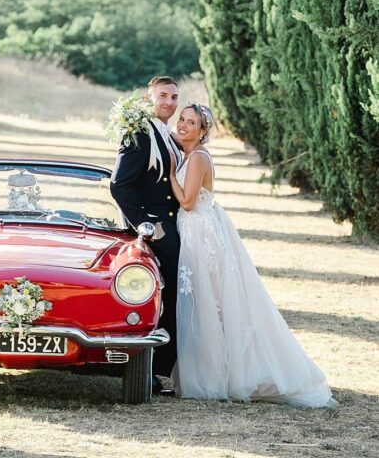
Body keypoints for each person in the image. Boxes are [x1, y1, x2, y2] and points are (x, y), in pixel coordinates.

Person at [169, 102, 337, 408]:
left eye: (190, 122)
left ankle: (222, 375)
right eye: (182, 119)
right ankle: (219, 371)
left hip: (201, 235)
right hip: (196, 232)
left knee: (211, 304)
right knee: (209, 303)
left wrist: (169, 174)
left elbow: (188, 202)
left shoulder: (196, 159)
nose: (182, 125)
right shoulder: (189, 155)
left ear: (202, 130)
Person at [110, 75, 183, 389]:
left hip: (173, 225)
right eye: (163, 96)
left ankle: (165, 367)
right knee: (159, 298)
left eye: (174, 97)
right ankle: (152, 370)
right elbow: (119, 184)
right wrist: (146, 224)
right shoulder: (140, 132)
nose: (169, 102)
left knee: (174, 297)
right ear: (148, 97)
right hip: (158, 229)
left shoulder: (163, 132)